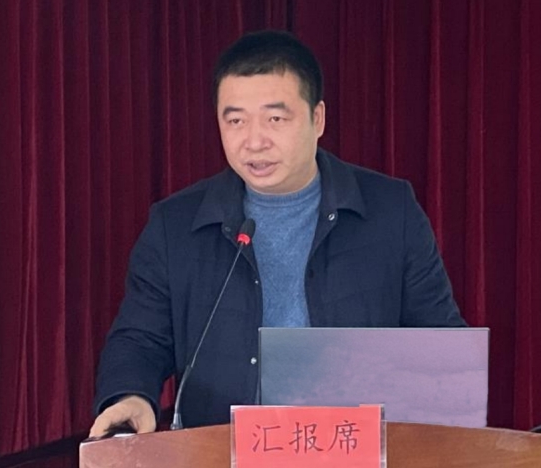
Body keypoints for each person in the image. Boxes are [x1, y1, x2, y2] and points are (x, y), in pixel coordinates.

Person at [90, 30, 464, 438]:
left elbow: (439, 341)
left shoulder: (390, 211)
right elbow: (139, 339)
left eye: (275, 119)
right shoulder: (175, 225)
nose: (254, 141)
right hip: (218, 461)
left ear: (317, 119)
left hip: (358, 457)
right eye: (235, 121)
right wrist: (131, 397)